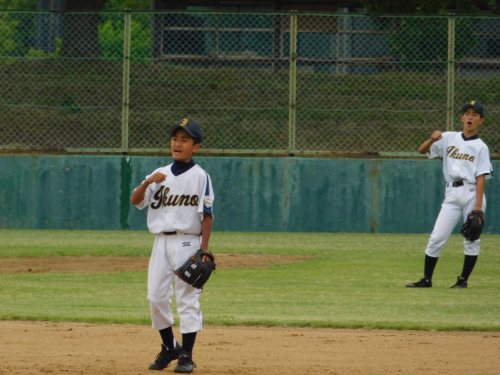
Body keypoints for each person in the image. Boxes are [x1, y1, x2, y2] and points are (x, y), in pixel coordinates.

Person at [130, 118, 215, 373]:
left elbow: (207, 215)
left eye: (185, 140)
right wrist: (147, 182)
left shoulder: (200, 176)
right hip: (160, 242)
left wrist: (204, 249)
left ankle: (186, 355)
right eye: (175, 139)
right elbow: (135, 201)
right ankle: (170, 347)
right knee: (155, 297)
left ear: (195, 146)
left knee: (187, 299)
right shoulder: (159, 173)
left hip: (188, 241)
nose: (177, 143)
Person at [406, 101, 493, 289]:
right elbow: (422, 151)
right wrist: (432, 139)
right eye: (467, 114)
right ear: (462, 118)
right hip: (452, 192)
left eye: (475, 115)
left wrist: (478, 205)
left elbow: (480, 177)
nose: (470, 117)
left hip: (471, 192)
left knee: (471, 238)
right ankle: (426, 279)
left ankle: (463, 281)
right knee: (437, 236)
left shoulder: (481, 147)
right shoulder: (447, 138)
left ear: (481, 121)